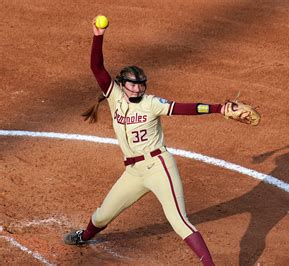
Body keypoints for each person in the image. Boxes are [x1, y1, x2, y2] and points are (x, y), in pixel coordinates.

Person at [62, 16, 228, 266]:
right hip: (134, 171)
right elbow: (97, 68)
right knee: (102, 214)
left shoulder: (152, 104)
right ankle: (84, 236)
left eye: (141, 85)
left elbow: (185, 108)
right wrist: (98, 37)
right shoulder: (114, 97)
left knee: (179, 221)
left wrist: (217, 108)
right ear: (122, 85)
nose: (138, 89)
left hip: (159, 167)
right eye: (133, 85)